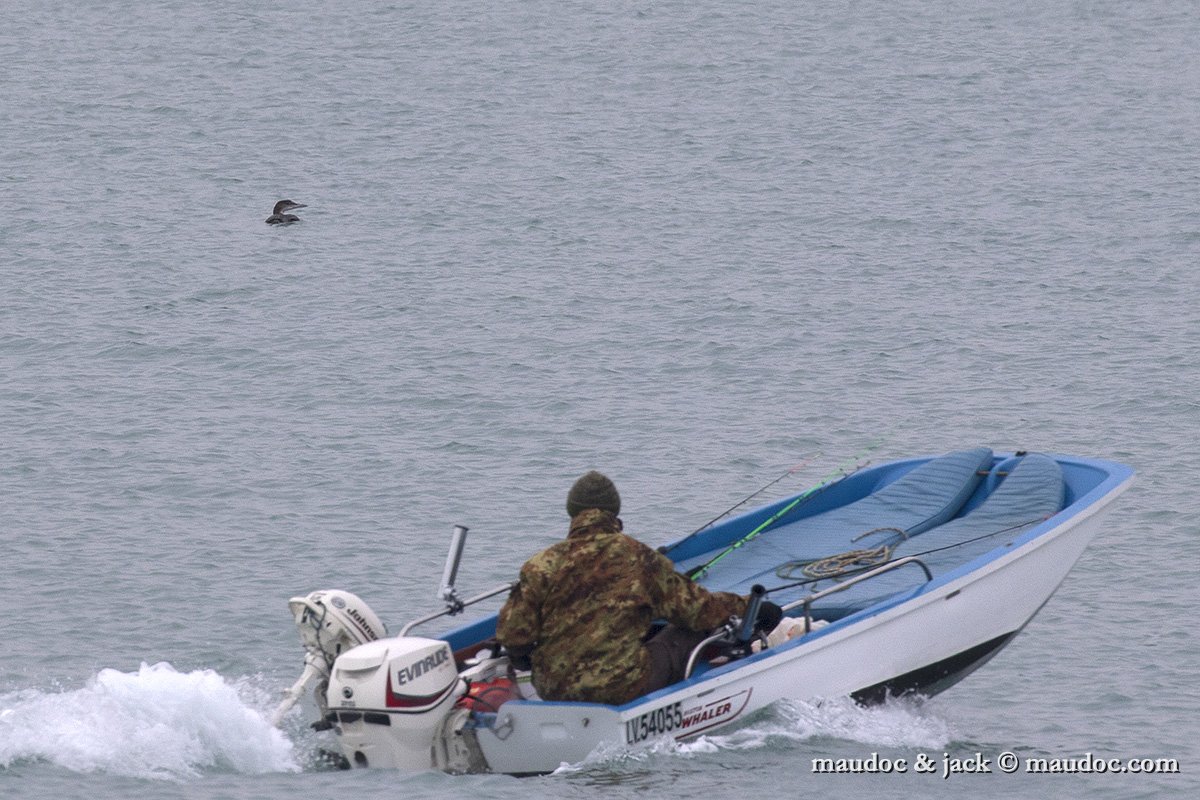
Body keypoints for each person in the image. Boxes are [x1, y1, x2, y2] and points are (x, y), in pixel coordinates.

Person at [496, 471, 782, 705]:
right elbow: (698, 610)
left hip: (553, 689)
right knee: (684, 631)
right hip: (622, 686)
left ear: (572, 512)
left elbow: (514, 635)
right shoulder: (638, 557)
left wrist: (526, 658)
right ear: (614, 512)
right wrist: (749, 608)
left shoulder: (540, 564)